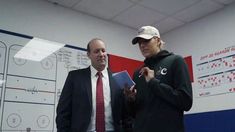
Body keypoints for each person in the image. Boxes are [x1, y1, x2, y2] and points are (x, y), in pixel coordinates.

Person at [125, 26, 193, 132]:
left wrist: (153, 83)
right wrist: (130, 100)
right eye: (139, 43)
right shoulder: (138, 73)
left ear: (157, 40)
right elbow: (135, 114)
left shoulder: (176, 61)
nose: (142, 45)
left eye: (146, 41)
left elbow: (186, 102)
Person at [56, 38, 131, 132]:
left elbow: (126, 115)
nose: (101, 54)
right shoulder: (75, 77)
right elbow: (63, 112)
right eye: (96, 51)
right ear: (88, 55)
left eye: (103, 50)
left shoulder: (118, 79)